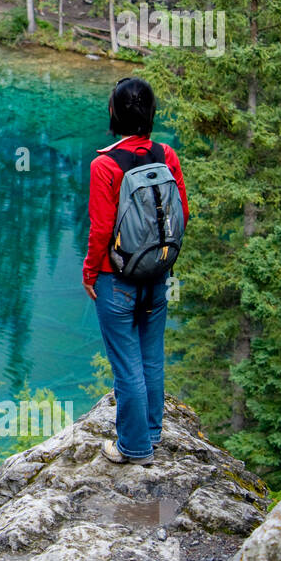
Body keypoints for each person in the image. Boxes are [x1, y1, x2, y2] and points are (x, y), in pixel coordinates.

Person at [83, 77, 189, 465]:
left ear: (113, 112)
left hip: (118, 281)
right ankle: (153, 433)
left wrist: (90, 273)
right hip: (157, 276)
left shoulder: (105, 164)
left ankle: (135, 447)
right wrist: (160, 262)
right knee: (151, 359)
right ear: (151, 112)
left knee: (127, 366)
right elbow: (183, 215)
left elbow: (100, 229)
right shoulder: (167, 155)